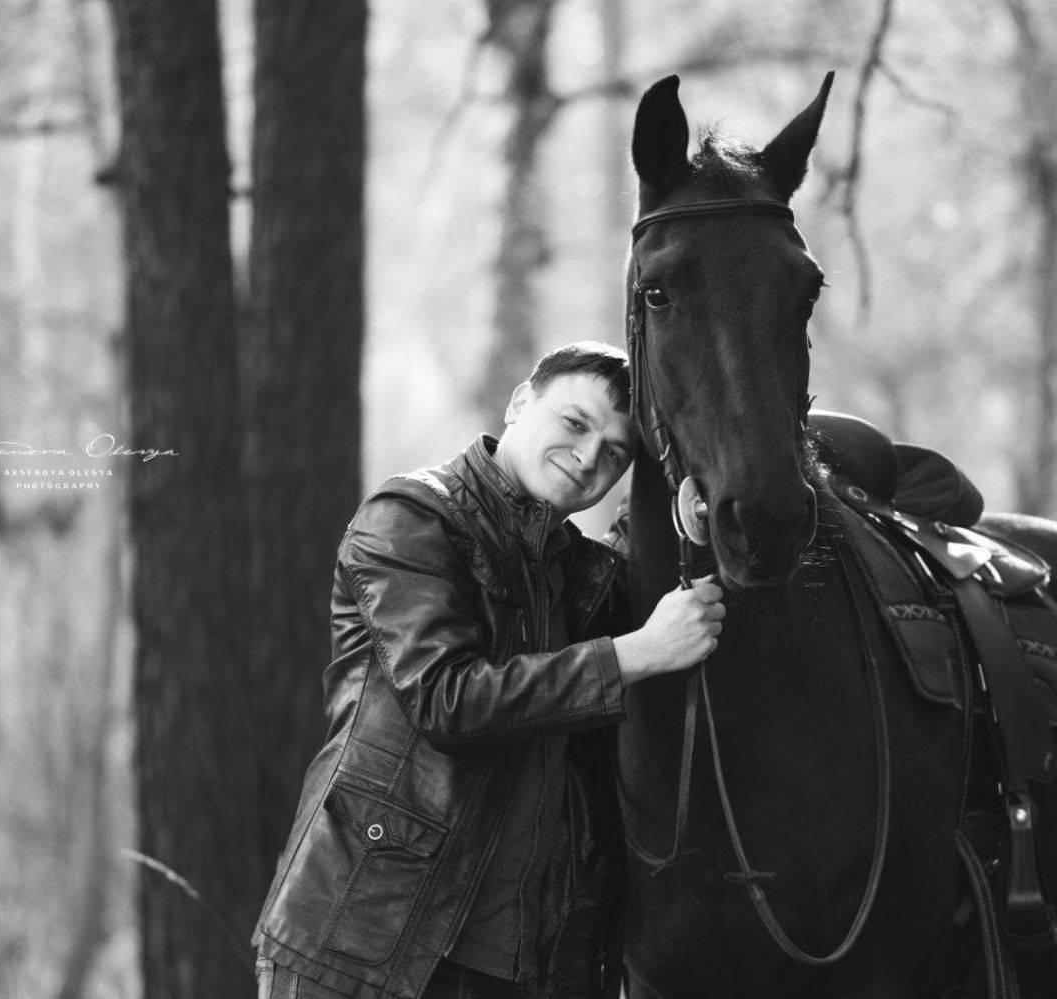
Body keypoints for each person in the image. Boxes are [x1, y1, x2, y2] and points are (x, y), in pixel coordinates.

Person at [252, 341, 725, 999]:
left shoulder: (578, 573)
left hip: (527, 967)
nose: (590, 456)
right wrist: (638, 652)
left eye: (616, 451)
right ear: (519, 402)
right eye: (575, 423)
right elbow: (448, 700)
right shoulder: (412, 518)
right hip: (368, 944)